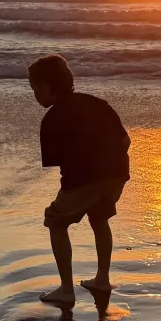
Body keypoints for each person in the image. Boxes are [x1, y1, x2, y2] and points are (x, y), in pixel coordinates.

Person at [28, 54, 131, 306]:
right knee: (99, 218)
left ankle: (66, 289)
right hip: (117, 174)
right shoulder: (96, 103)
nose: (35, 95)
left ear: (52, 86)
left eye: (37, 88)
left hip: (84, 179)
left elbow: (64, 165)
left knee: (55, 222)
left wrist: (83, 183)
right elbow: (125, 140)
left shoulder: (53, 118)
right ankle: (102, 279)